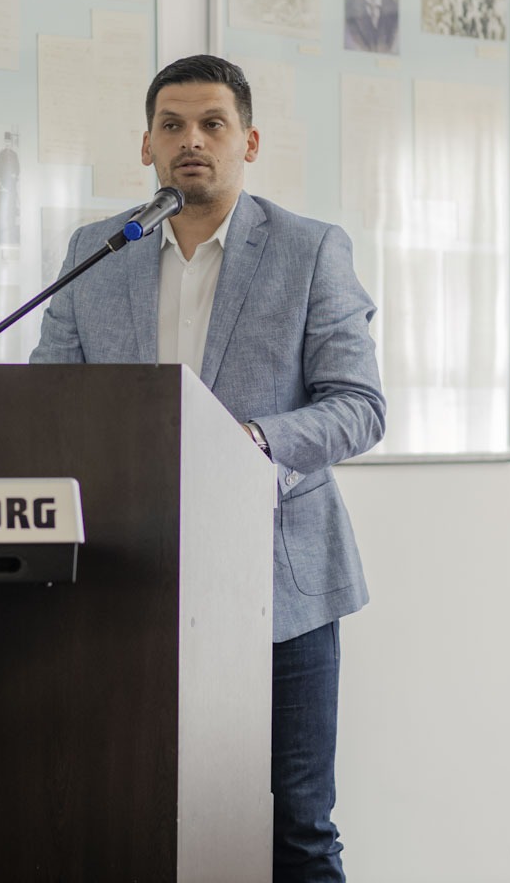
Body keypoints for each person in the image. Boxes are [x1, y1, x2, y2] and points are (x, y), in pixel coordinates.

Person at [31, 55, 385, 883]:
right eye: (172, 125)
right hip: (130, 580)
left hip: (281, 589)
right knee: (137, 813)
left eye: (212, 124)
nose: (192, 140)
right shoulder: (97, 251)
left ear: (247, 142)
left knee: (297, 832)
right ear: (147, 145)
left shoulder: (309, 250)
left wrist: (254, 443)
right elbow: (53, 397)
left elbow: (359, 406)